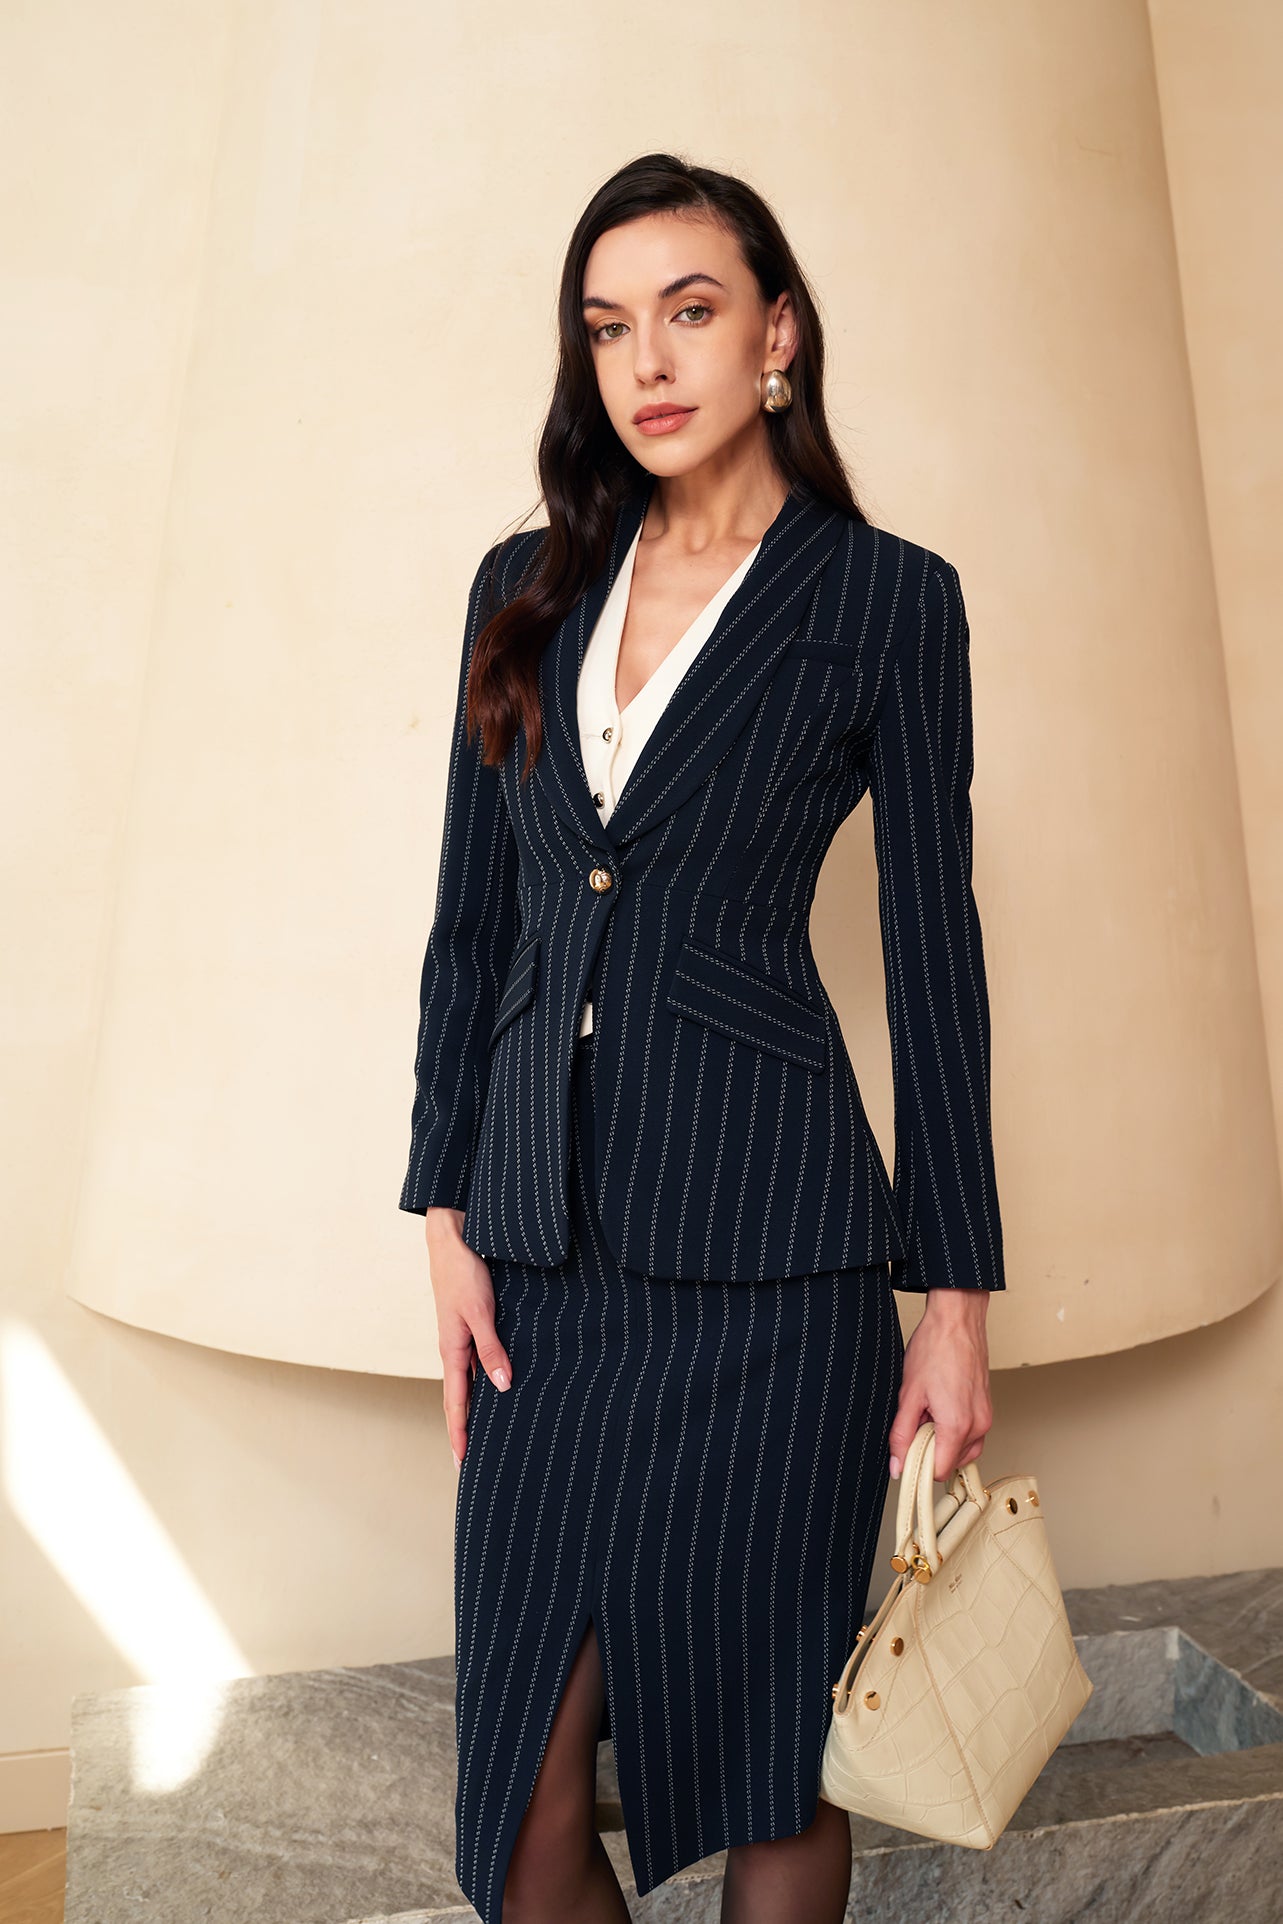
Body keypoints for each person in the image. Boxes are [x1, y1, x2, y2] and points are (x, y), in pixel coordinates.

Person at [399, 151, 1005, 1924]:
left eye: (691, 311)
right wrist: (444, 1207)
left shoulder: (886, 600)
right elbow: (471, 926)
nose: (648, 362)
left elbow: (936, 959)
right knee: (520, 1820)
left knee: (768, 1763)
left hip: (773, 1271)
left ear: (777, 340)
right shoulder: (523, 579)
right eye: (610, 328)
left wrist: (952, 1300)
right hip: (544, 1258)